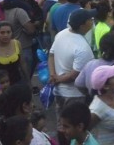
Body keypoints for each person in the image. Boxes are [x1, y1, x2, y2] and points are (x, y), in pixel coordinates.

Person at [49, 9, 95, 145]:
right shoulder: (82, 47)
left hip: (59, 91)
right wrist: (57, 78)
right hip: (74, 95)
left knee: (61, 124)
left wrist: (53, 76)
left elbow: (51, 55)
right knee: (74, 127)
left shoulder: (61, 34)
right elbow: (76, 74)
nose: (92, 22)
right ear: (82, 25)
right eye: (90, 21)